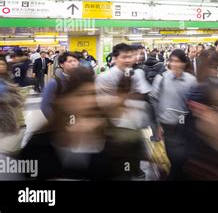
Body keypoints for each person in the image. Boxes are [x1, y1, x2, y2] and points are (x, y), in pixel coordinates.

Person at [21, 67, 152, 181]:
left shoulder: (110, 142)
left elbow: (122, 172)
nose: (90, 101)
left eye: (93, 94)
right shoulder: (39, 144)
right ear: (63, 101)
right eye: (81, 95)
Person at [149, 49, 197, 180]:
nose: (174, 64)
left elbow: (195, 104)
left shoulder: (191, 81)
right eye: (172, 61)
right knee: (176, 158)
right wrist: (157, 125)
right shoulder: (162, 78)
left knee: (183, 159)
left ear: (183, 63)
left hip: (186, 126)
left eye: (177, 61)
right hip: (169, 126)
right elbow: (154, 100)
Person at [96, 43, 153, 131]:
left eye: (130, 57)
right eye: (124, 57)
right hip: (113, 127)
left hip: (135, 126)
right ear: (114, 59)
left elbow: (144, 95)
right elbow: (103, 105)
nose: (127, 60)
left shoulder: (137, 74)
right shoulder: (104, 77)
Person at [40, 52, 80, 121]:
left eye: (75, 61)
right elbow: (45, 106)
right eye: (70, 61)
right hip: (63, 122)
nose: (73, 64)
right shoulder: (54, 83)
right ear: (62, 64)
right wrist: (57, 122)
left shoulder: (82, 80)